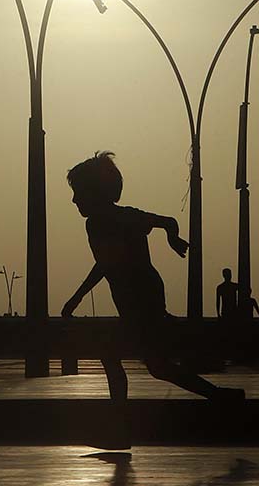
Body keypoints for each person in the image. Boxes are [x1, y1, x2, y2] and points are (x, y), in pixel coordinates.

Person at [61, 152, 245, 418]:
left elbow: (106, 264)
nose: (75, 199)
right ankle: (222, 396)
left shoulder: (102, 223)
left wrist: (76, 298)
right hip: (144, 297)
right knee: (158, 366)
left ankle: (119, 422)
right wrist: (173, 237)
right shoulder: (128, 217)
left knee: (113, 353)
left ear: (94, 192)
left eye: (78, 192)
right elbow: (168, 222)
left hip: (140, 301)